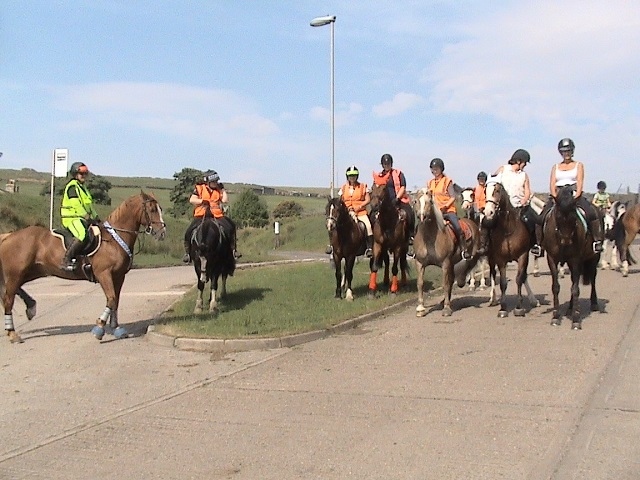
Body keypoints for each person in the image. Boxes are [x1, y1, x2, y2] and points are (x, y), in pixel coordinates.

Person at [532, 138, 603, 257]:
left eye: (569, 151)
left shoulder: (578, 165)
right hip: (559, 196)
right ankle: (539, 245)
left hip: (573, 195)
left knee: (591, 213)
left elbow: (580, 183)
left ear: (572, 151)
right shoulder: (555, 167)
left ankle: (596, 241)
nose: (566, 154)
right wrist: (556, 197)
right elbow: (552, 184)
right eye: (564, 151)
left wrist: (576, 197)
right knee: (541, 217)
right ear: (561, 152)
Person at [478, 149, 536, 255]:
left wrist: (524, 200)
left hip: (519, 206)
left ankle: (535, 245)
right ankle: (484, 245)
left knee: (534, 220)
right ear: (519, 161)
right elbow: (493, 183)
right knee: (486, 222)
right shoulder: (503, 169)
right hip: (502, 207)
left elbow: (527, 191)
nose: (525, 165)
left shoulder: (524, 175)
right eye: (524, 163)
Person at [182, 170, 241, 263]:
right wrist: (202, 201)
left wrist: (222, 190)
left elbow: (225, 200)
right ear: (207, 182)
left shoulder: (218, 190)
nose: (215, 183)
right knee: (188, 231)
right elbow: (192, 199)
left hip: (216, 215)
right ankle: (188, 254)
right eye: (213, 182)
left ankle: (233, 250)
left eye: (216, 181)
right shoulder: (199, 188)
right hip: (201, 215)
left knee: (231, 227)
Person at [427, 157, 471, 260]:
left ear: (441, 169)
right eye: (433, 169)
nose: (435, 171)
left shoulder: (447, 181)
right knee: (421, 225)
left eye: (437, 169)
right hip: (435, 211)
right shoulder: (430, 183)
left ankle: (464, 249)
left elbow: (453, 197)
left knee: (458, 227)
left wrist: (445, 206)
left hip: (448, 210)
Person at [59, 162, 100, 271]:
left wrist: (96, 217)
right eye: (81, 174)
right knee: (82, 235)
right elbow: (76, 205)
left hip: (81, 217)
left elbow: (89, 205)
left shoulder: (83, 188)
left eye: (85, 174)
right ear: (75, 174)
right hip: (71, 218)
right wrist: (87, 217)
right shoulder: (72, 187)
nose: (84, 176)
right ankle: (66, 260)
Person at [374, 153, 415, 244]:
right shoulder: (379, 176)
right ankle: (373, 238)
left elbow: (403, 187)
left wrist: (397, 198)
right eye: (385, 164)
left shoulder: (398, 173)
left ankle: (411, 235)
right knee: (372, 215)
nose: (386, 166)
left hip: (398, 200)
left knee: (409, 212)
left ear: (391, 164)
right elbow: (376, 189)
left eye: (388, 164)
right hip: (383, 203)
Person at [339, 165, 374, 257]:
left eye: (354, 175)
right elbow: (340, 201)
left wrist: (359, 206)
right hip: (347, 213)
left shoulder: (363, 186)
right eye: (350, 176)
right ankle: (332, 246)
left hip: (360, 212)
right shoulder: (343, 188)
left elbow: (368, 200)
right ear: (347, 177)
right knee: (335, 225)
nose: (352, 178)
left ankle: (369, 247)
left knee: (368, 226)